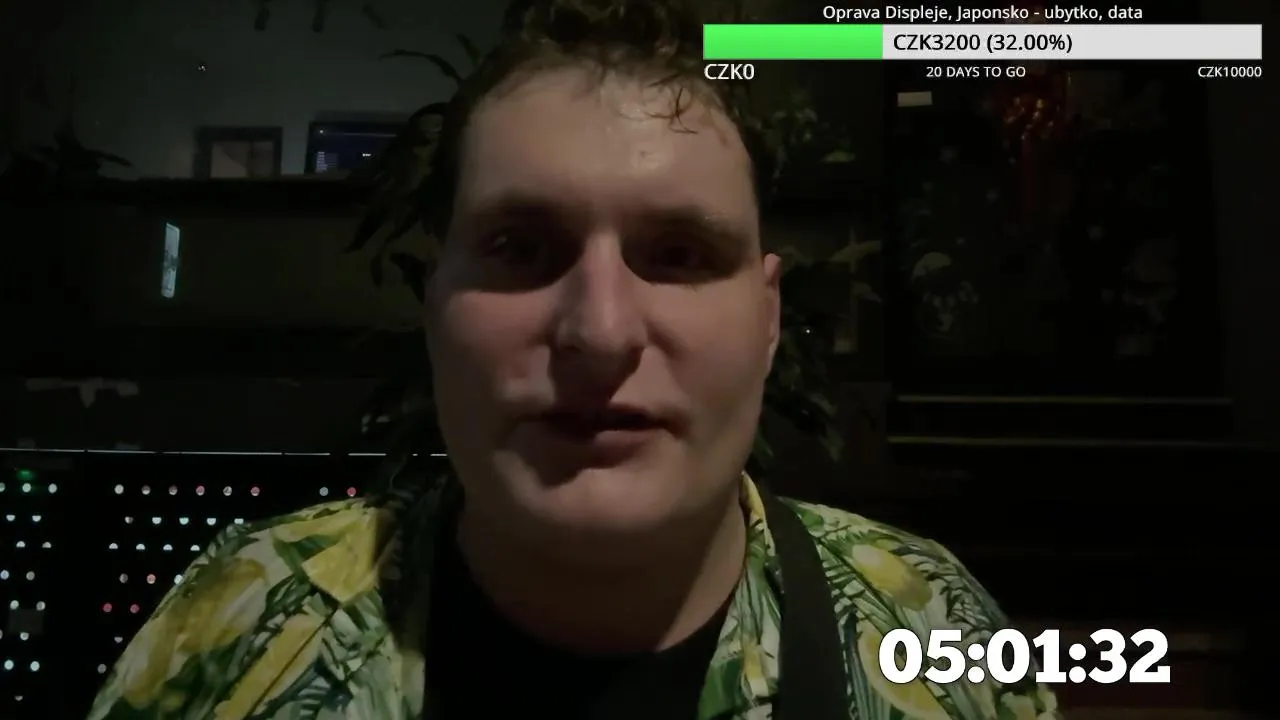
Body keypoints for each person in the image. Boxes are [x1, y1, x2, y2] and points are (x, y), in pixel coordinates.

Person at [89, 1, 1062, 718]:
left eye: (678, 254)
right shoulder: (245, 621)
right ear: (433, 305)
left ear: (767, 318)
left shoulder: (926, 627)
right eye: (519, 247)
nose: (600, 332)